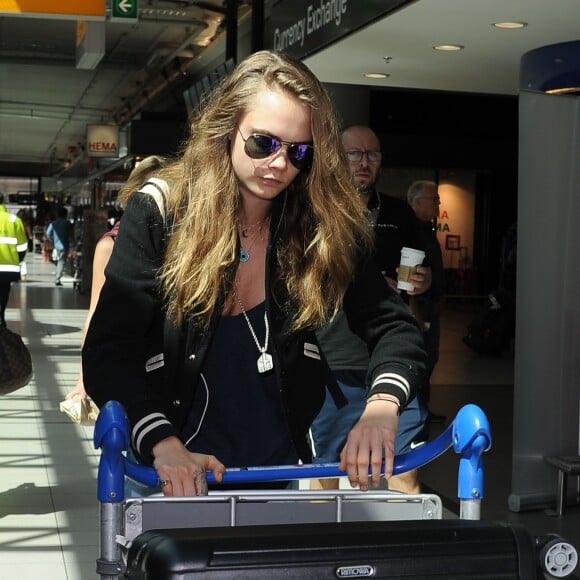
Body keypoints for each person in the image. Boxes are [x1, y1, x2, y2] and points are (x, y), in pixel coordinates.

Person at [83, 50, 426, 497]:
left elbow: (395, 327)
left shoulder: (319, 225)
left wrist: (382, 405)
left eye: (299, 151)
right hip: (169, 472)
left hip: (274, 475)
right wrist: (161, 443)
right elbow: (108, 350)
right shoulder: (163, 211)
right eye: (263, 143)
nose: (280, 164)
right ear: (227, 129)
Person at [311, 125, 430, 494]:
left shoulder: (399, 213)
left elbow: (424, 272)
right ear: (336, 157)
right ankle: (322, 550)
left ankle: (401, 549)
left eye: (373, 154)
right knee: (326, 471)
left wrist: (421, 283)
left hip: (391, 359)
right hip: (334, 361)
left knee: (404, 470)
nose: (364, 163)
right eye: (355, 154)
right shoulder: (317, 212)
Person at [66, 156, 168, 401]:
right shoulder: (110, 244)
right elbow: (95, 314)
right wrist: (84, 377)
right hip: (129, 361)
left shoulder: (185, 243)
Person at [407, 181, 446, 422]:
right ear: (418, 201)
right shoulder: (410, 231)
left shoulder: (427, 231)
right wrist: (414, 309)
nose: (437, 204)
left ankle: (422, 407)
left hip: (430, 304)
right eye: (434, 199)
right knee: (420, 357)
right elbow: (408, 273)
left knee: (430, 356)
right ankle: (415, 410)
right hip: (418, 306)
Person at [0, 195, 28, 327]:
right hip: (8, 267)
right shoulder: (13, 220)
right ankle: (1, 316)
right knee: (4, 289)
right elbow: (22, 246)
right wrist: (18, 260)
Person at [46, 205, 73, 286]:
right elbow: (71, 235)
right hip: (65, 245)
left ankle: (58, 275)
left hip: (57, 245)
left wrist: (52, 240)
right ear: (65, 214)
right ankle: (57, 279)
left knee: (60, 261)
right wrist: (73, 244)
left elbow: (48, 233)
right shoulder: (67, 223)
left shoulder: (53, 223)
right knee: (62, 262)